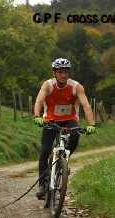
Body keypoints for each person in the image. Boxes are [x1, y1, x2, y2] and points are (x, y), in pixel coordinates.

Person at [33, 58, 96, 199]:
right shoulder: (48, 85)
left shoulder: (76, 87)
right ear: (54, 73)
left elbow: (86, 106)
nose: (63, 75)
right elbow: (39, 100)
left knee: (75, 135)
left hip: (70, 120)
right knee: (45, 150)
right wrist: (37, 116)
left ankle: (64, 161)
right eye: (60, 72)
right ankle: (42, 185)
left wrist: (91, 125)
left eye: (66, 72)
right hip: (51, 120)